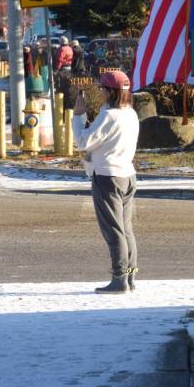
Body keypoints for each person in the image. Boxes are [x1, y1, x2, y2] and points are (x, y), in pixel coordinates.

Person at [73, 70, 139, 294]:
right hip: (127, 174)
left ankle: (119, 279)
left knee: (113, 231)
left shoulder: (109, 115)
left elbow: (83, 142)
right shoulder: (130, 113)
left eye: (102, 88)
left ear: (111, 91)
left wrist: (78, 117)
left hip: (107, 176)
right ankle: (130, 278)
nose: (100, 91)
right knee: (126, 229)